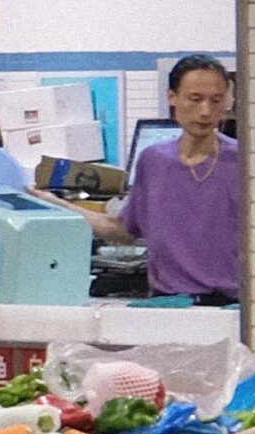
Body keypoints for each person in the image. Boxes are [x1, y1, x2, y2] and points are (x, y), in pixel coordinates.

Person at [76, 56, 240, 305]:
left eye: (216, 101)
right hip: (167, 303)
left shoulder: (242, 162)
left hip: (228, 305)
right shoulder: (154, 161)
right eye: (195, 99)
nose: (206, 111)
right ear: (172, 97)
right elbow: (123, 229)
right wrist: (53, 205)